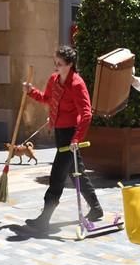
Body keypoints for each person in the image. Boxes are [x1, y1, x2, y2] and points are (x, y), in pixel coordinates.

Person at [23, 46, 103, 232]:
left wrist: (76, 139)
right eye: (55, 63)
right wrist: (30, 91)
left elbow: (86, 113)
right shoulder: (54, 79)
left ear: (70, 64)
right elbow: (47, 99)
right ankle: (97, 208)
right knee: (77, 172)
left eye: (59, 64)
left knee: (57, 175)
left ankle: (45, 218)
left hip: (70, 134)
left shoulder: (77, 84)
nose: (56, 67)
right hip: (60, 132)